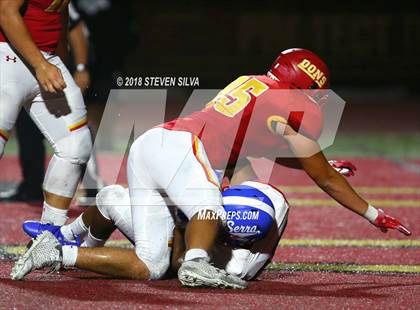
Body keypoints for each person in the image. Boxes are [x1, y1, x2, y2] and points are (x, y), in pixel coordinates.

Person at [10, 49, 411, 288]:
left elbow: (256, 147)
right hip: (181, 147)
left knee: (151, 264)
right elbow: (321, 175)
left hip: (154, 144)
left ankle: (59, 252)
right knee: (210, 207)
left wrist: (316, 164)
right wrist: (373, 214)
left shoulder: (252, 85)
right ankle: (198, 263)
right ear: (307, 85)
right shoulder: (292, 103)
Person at [0, 2, 103, 204]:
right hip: (9, 57)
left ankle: (51, 229)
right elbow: (5, 11)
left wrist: (60, 63)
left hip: (46, 58)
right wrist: (40, 64)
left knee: (76, 146)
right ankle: (31, 185)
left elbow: (62, 17)